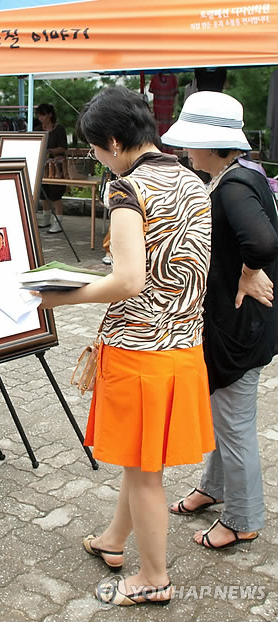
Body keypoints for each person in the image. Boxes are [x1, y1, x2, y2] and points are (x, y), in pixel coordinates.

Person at [33, 86, 214, 607]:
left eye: (94, 148)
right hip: (182, 344)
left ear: (114, 142)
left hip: (140, 351)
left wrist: (59, 298)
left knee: (144, 475)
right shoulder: (192, 178)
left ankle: (154, 577)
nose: (93, 157)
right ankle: (114, 542)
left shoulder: (126, 190)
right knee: (142, 466)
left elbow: (129, 279)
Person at [162, 92, 278, 550]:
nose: (185, 151)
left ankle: (244, 517)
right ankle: (214, 488)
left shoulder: (230, 186)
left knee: (233, 422)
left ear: (209, 144)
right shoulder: (244, 174)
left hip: (238, 330)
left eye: (191, 142)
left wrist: (250, 273)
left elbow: (264, 243)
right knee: (221, 414)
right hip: (238, 326)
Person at [37, 103, 67, 233]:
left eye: (43, 115)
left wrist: (49, 150)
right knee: (44, 193)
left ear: (50, 114)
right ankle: (46, 218)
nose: (40, 118)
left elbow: (63, 147)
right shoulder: (37, 129)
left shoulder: (59, 129)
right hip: (42, 165)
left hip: (56, 166)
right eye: (39, 115)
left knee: (56, 194)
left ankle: (58, 221)